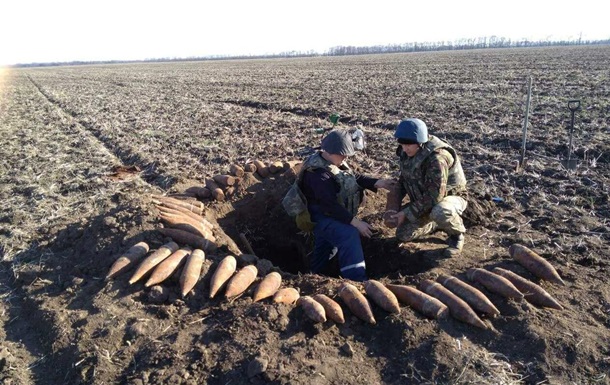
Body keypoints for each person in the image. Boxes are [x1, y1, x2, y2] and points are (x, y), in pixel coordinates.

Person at [300, 129, 394, 281]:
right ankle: (356, 279)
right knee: (348, 234)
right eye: (343, 154)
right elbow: (329, 206)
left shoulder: (334, 162)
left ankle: (314, 276)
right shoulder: (318, 174)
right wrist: (357, 223)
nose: (345, 158)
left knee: (326, 248)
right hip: (320, 217)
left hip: (332, 215)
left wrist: (377, 183)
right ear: (330, 151)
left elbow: (352, 177)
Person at [387, 118, 468, 257]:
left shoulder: (437, 158)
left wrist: (406, 213)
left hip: (449, 197)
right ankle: (435, 223)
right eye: (402, 144)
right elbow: (403, 180)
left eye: (408, 145)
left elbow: (435, 196)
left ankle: (457, 235)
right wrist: (393, 209)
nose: (405, 149)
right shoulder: (406, 152)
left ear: (420, 142)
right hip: (424, 199)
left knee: (441, 211)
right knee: (403, 234)